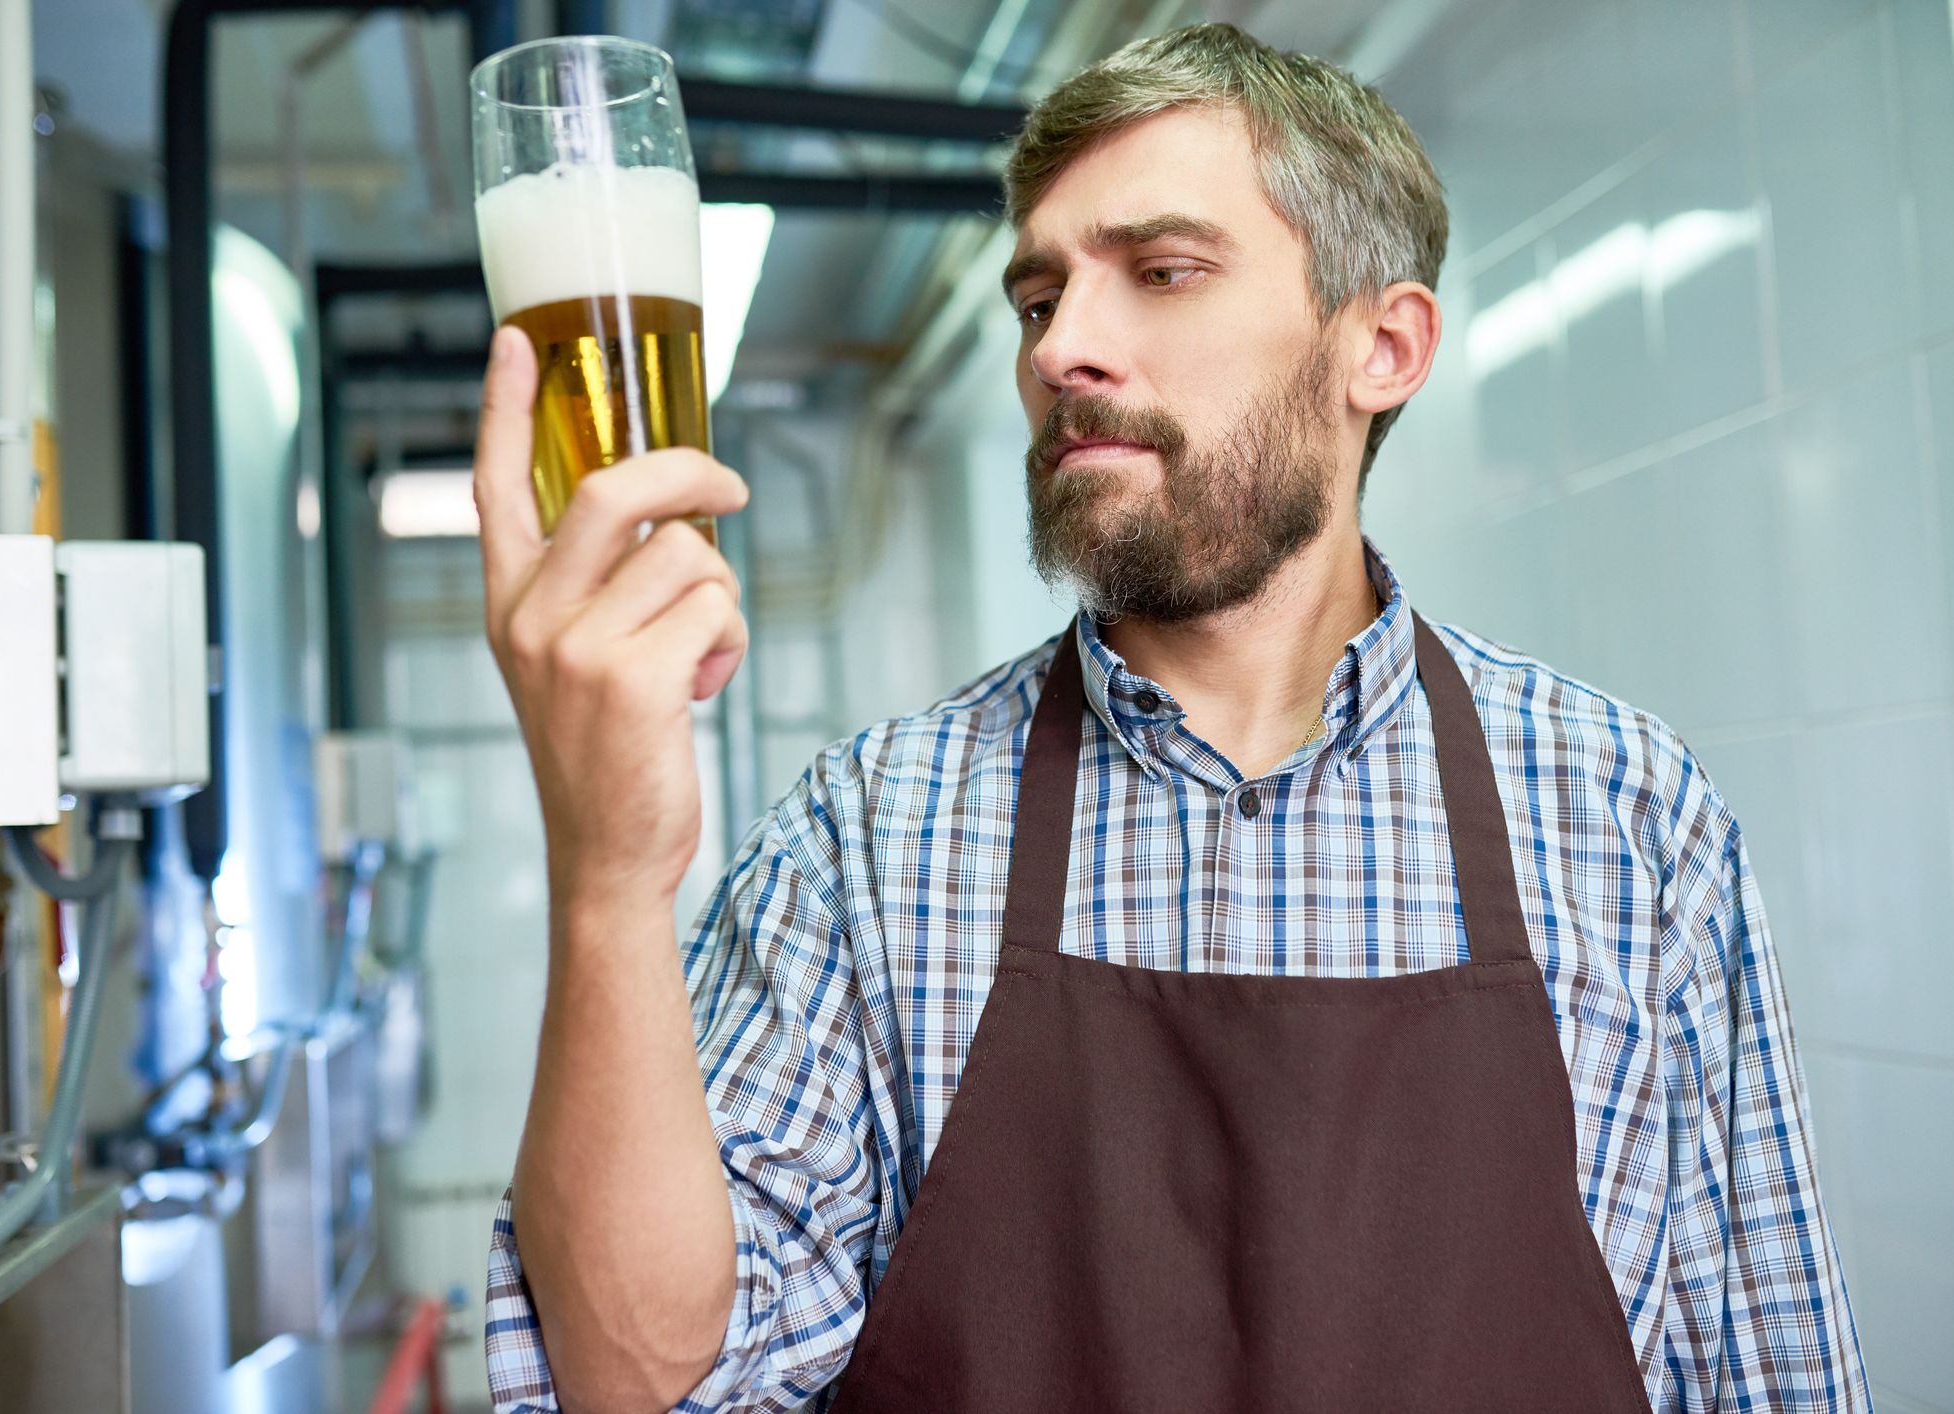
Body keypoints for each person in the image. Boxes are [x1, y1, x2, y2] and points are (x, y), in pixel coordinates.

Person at [474, 23, 1870, 1414]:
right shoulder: (876, 833)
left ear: (1381, 344)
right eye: (1038, 300)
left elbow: (1780, 1380)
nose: (1062, 347)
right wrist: (605, 874)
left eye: (1161, 272)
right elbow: (646, 1381)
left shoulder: (1627, 815)